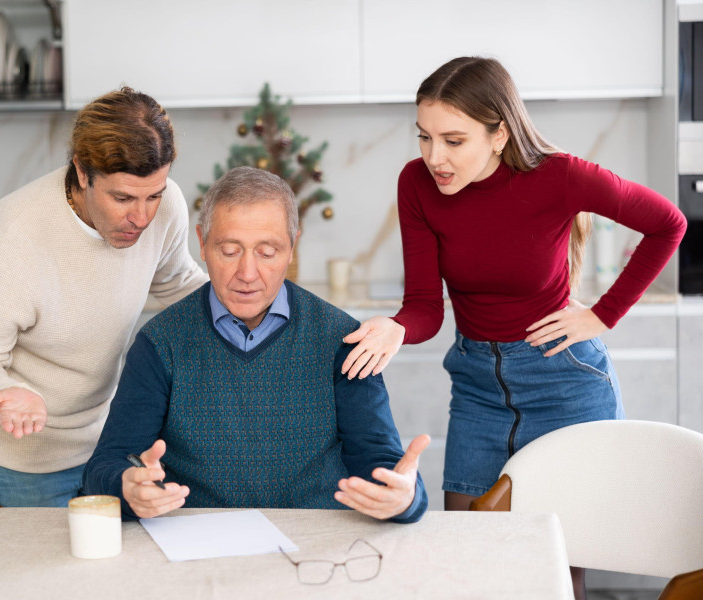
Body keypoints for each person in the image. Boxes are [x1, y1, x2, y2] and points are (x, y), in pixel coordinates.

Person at [339, 57, 687, 598]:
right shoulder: (417, 185)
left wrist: (600, 314)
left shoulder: (560, 176)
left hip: (565, 384)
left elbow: (668, 223)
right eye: (425, 137)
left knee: (557, 567)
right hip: (478, 388)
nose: (435, 157)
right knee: (467, 553)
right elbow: (427, 306)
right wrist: (396, 328)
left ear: (498, 132)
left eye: (454, 140)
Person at [83, 166, 430, 523]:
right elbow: (105, 468)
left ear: (292, 247)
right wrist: (127, 488)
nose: (248, 274)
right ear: (201, 243)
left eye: (267, 252)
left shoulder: (341, 339)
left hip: (311, 548)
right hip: (200, 547)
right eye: (230, 251)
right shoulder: (161, 344)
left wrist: (406, 497)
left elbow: (383, 463)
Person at [0, 87, 208, 507]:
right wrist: (6, 393)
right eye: (122, 198)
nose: (141, 218)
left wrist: (282, 311)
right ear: (83, 173)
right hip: (20, 460)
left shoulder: (166, 208)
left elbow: (179, 284)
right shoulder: (12, 238)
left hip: (105, 445)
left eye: (153, 195)